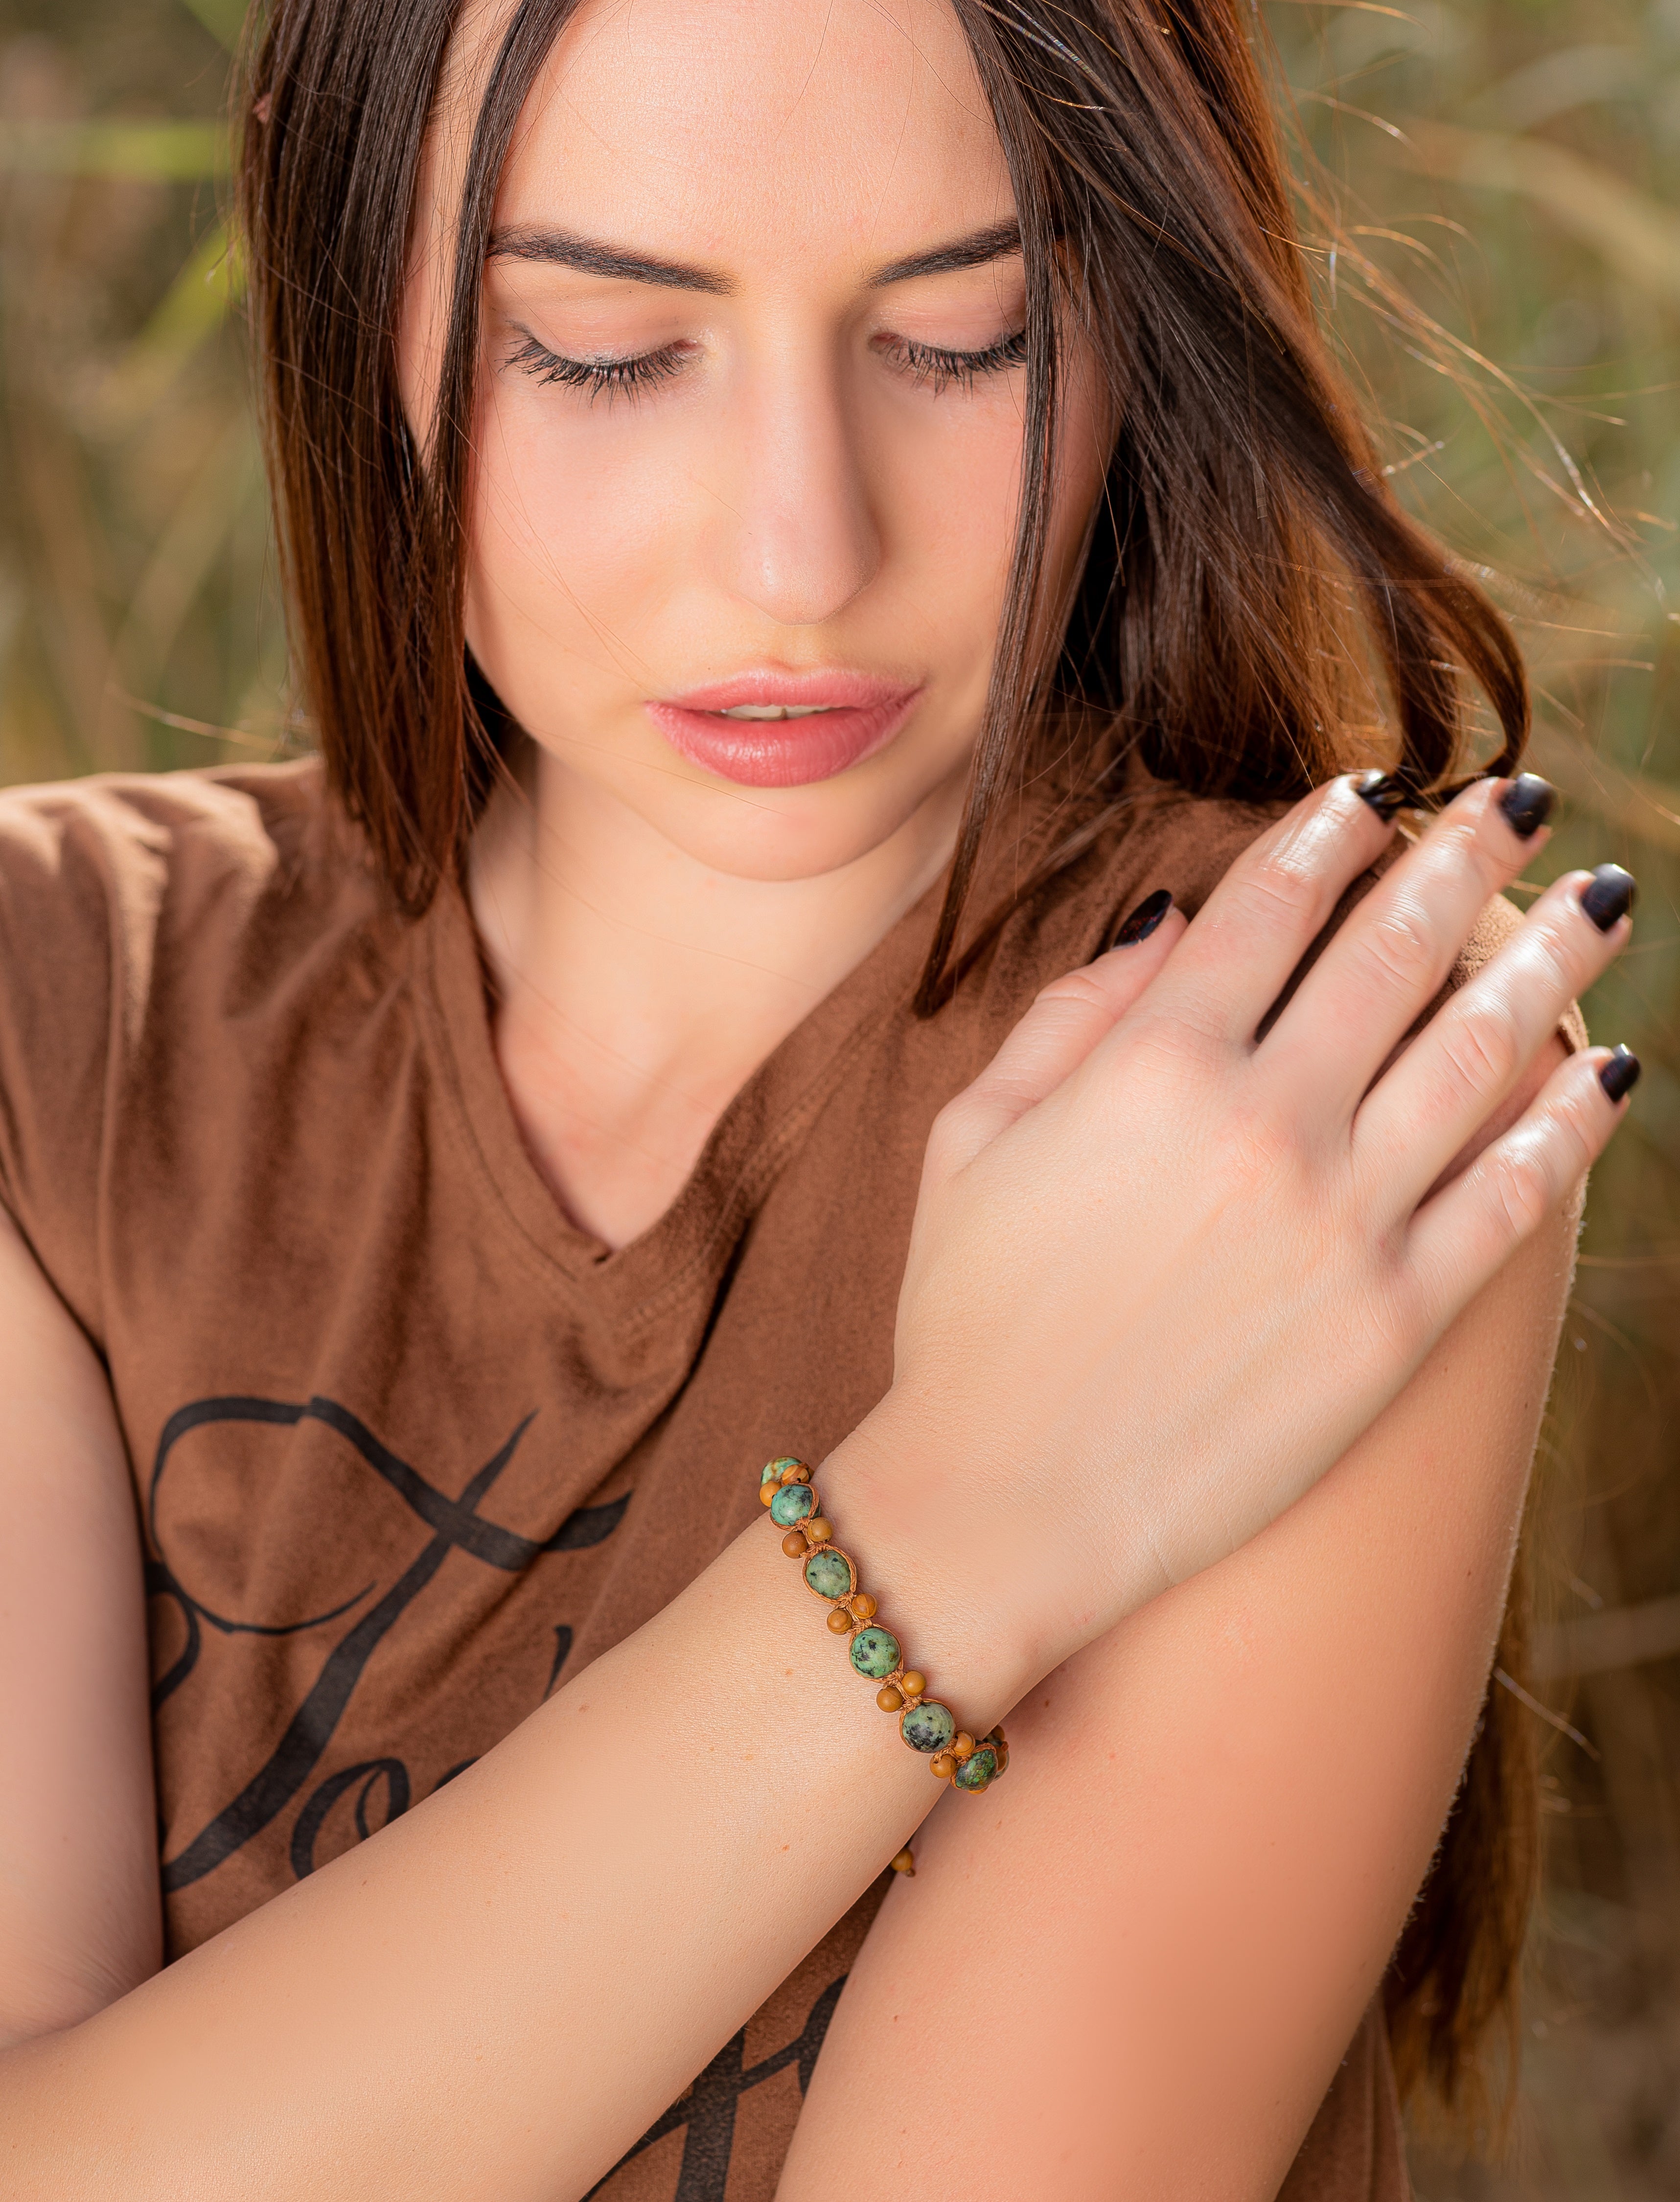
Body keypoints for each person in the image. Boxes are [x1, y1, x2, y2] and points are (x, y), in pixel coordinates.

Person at [0, 0, 1640, 2194]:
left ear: (1135, 315)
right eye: (598, 348)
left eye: (964, 339)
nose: (796, 552)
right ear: (346, 301)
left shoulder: (1305, 1086)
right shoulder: (56, 1008)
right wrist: (967, 1520)